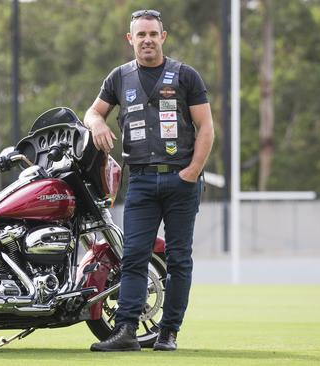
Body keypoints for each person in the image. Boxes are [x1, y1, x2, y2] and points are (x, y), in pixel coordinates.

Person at [84, 9, 214, 352]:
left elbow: (206, 127)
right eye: (140, 35)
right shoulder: (119, 78)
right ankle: (126, 330)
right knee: (133, 257)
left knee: (178, 259)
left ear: (163, 37)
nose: (147, 40)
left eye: (153, 34)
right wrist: (96, 122)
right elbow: (93, 111)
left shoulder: (186, 76)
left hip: (181, 181)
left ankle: (168, 332)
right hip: (140, 180)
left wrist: (193, 171)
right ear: (130, 40)